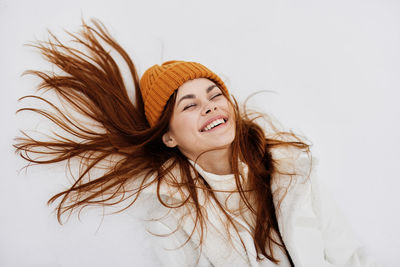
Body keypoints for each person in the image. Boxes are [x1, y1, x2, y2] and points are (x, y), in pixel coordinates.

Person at [15, 19, 378, 267]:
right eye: (190, 105)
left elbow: (346, 254)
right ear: (169, 136)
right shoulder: (171, 211)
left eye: (214, 94)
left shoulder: (291, 168)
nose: (210, 106)